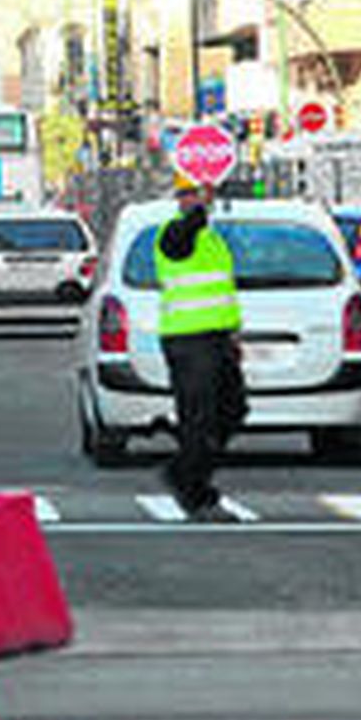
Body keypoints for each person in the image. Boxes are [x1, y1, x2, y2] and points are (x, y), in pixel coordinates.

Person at [156, 174, 247, 523]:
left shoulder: (212, 240)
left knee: (233, 410)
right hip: (187, 341)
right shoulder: (171, 234)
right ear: (179, 200)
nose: (193, 200)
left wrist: (232, 334)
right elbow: (181, 237)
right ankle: (196, 494)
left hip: (217, 340)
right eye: (187, 195)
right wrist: (201, 206)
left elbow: (222, 291)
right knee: (200, 419)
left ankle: (183, 471)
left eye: (196, 194)